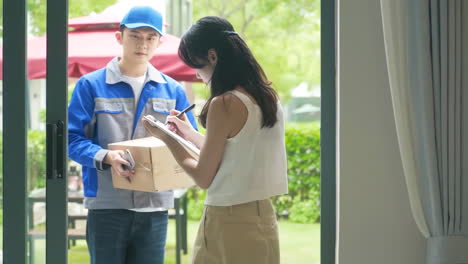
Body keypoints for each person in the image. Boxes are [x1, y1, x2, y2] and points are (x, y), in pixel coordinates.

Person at [143, 16, 288, 264]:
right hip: (262, 215)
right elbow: (232, 150)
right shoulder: (267, 98)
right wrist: (186, 132)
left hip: (227, 218)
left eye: (196, 66)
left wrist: (167, 138)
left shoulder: (225, 103)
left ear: (212, 56)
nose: (197, 75)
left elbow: (203, 176)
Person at [68, 6, 197, 264]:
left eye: (151, 37)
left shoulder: (173, 90)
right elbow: (71, 141)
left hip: (155, 208)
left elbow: (191, 143)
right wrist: (107, 156)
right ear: (120, 37)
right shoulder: (90, 85)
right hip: (106, 207)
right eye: (136, 35)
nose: (143, 43)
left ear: (160, 41)